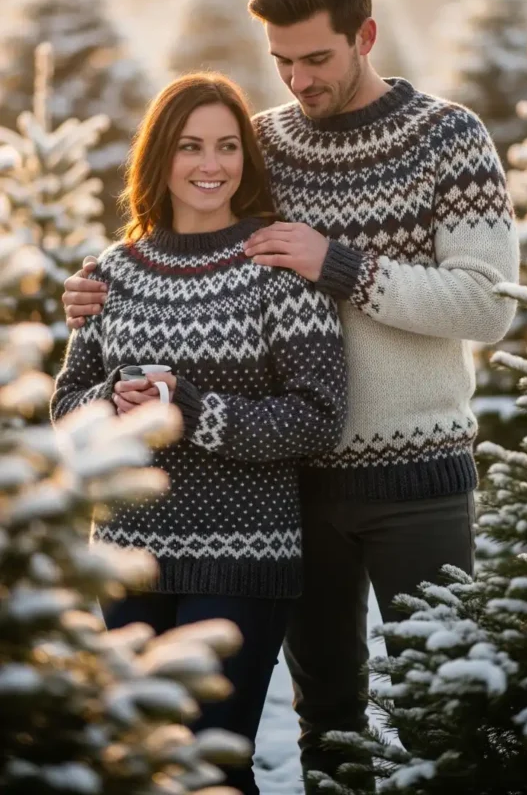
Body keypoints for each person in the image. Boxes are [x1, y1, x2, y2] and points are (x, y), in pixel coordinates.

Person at [61, 0, 519, 790]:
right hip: (295, 482)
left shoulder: (447, 138)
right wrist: (97, 297)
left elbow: (487, 305)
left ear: (365, 35)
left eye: (317, 58)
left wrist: (336, 263)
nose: (298, 80)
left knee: (435, 714)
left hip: (417, 481)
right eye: (282, 61)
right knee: (329, 719)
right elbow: (191, 247)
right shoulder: (263, 143)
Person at [51, 71, 347, 795]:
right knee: (142, 763)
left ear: (246, 157)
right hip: (126, 556)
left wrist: (195, 411)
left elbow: (319, 415)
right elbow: (65, 408)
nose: (209, 165)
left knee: (210, 764)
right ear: (160, 157)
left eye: (225, 146)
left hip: (242, 555)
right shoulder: (112, 271)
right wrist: (112, 405)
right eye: (189, 146)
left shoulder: (276, 268)